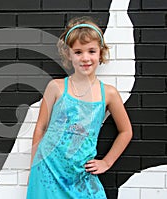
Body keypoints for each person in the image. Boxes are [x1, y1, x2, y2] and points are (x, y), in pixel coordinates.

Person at [26, 16, 132, 199]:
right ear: (69, 54)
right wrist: (34, 165)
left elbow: (126, 131)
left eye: (91, 51)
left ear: (100, 52)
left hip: (80, 174)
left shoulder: (109, 93)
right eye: (78, 52)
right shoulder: (56, 87)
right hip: (48, 172)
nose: (85, 58)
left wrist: (106, 162)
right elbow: (40, 127)